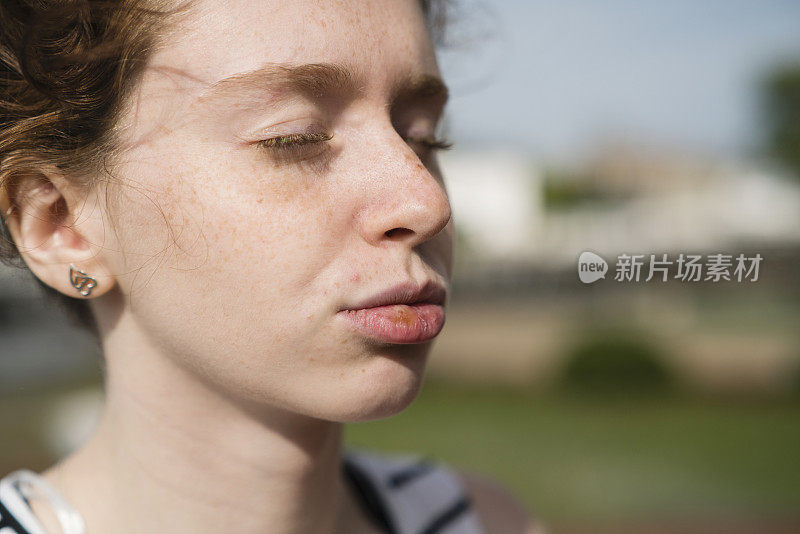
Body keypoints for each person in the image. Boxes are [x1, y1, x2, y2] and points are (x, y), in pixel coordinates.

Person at [0, 1, 543, 532]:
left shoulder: (486, 521)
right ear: (60, 225)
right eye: (295, 137)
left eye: (423, 136)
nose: (426, 202)